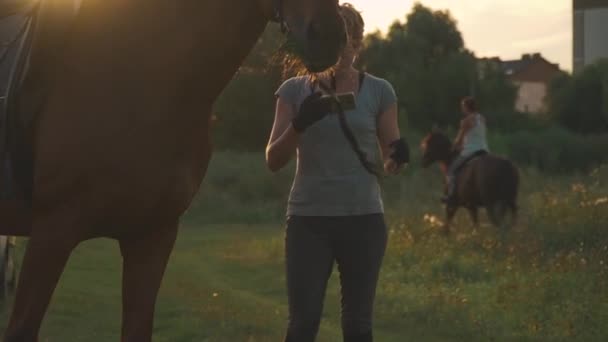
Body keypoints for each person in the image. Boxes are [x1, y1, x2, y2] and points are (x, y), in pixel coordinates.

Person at [265, 3, 408, 342]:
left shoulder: (379, 91)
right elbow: (273, 159)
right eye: (328, 40)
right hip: (308, 221)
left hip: (364, 219)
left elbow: (391, 158)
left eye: (343, 41)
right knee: (303, 325)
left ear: (357, 44)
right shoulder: (293, 91)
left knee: (358, 326)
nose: (336, 50)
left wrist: (398, 156)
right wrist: (300, 124)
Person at [442, 96, 490, 205]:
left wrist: (453, 147)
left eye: (462, 106)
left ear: (466, 107)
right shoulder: (482, 118)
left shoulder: (466, 121)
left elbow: (459, 139)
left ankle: (451, 195)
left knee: (451, 171)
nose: (462, 109)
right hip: (484, 149)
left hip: (470, 151)